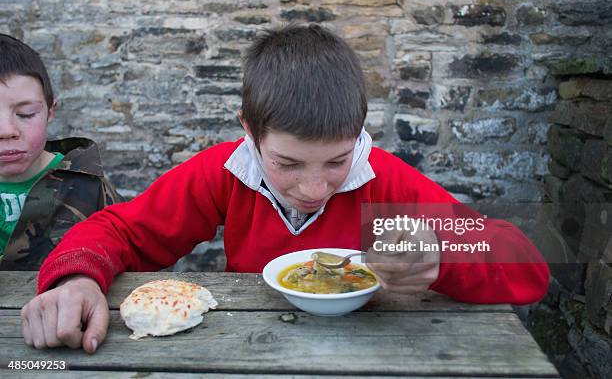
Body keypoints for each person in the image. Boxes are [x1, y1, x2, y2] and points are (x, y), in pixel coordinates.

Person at [20, 24, 549, 353]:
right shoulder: (225, 172)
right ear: (248, 132)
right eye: (288, 163)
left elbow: (526, 265)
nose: (315, 187)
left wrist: (442, 257)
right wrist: (76, 278)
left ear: (361, 136)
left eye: (338, 161)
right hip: (244, 351)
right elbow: (122, 230)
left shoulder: (383, 180)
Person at [0, 34, 122, 270]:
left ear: (50, 111)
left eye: (26, 114)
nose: (6, 131)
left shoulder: (90, 188)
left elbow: (130, 259)